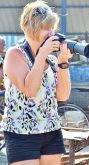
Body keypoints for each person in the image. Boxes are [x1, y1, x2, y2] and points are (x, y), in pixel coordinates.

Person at [1, 1, 72, 165]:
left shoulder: (52, 60)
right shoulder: (15, 55)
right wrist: (42, 54)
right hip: (21, 133)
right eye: (47, 27)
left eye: (53, 27)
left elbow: (63, 95)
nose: (52, 32)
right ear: (32, 27)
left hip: (51, 131)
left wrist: (63, 62)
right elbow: (30, 91)